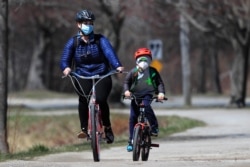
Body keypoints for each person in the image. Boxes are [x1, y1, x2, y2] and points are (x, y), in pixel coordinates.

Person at [60, 9, 124, 144]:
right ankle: (84, 128)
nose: (88, 25)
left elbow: (109, 53)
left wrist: (117, 65)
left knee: (101, 99)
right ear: (78, 24)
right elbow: (65, 58)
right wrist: (66, 68)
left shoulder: (101, 40)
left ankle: (107, 127)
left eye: (90, 23)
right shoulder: (73, 42)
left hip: (102, 74)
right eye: (85, 23)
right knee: (83, 99)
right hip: (82, 75)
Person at [123, 47, 165, 151]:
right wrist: (126, 91)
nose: (143, 62)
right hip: (135, 95)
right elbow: (126, 82)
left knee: (146, 106)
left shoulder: (153, 71)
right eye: (141, 60)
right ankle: (131, 140)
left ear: (150, 60)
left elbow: (159, 83)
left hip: (148, 93)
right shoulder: (133, 72)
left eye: (146, 59)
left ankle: (154, 126)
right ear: (136, 61)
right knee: (133, 117)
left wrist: (161, 93)